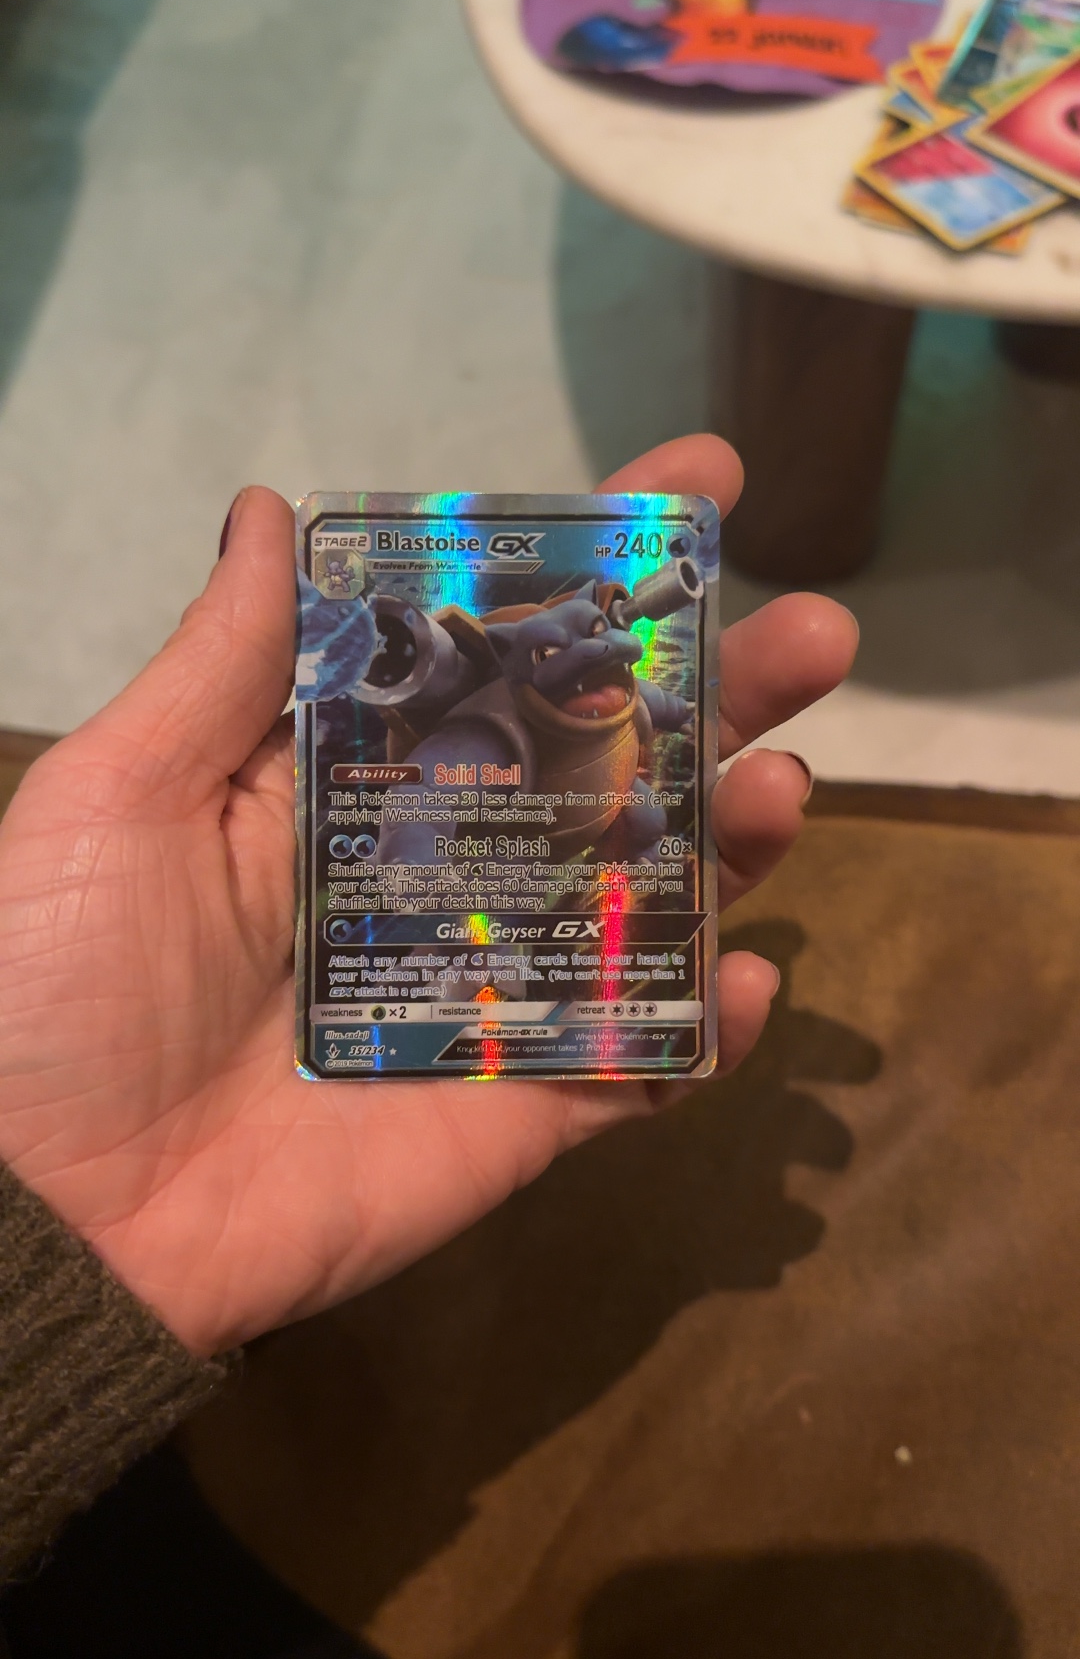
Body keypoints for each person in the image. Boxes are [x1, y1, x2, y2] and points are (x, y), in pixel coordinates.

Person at [0, 434, 857, 1585]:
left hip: (573, 854)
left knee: (657, 822)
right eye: (568, 647)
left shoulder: (611, 690)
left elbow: (637, 685)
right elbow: (417, 839)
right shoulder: (483, 724)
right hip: (469, 885)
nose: (592, 654)